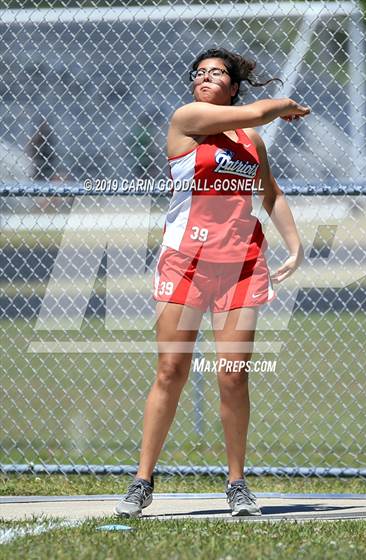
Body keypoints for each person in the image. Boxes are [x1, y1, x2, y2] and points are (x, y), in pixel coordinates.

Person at [115, 47, 310, 518]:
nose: (203, 78)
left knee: (232, 374)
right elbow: (264, 110)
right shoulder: (189, 118)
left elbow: (270, 192)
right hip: (186, 264)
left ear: (234, 86)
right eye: (198, 73)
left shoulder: (251, 140)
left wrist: (295, 245)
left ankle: (237, 483)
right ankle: (142, 481)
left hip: (238, 265)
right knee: (171, 371)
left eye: (216, 73)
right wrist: (283, 106)